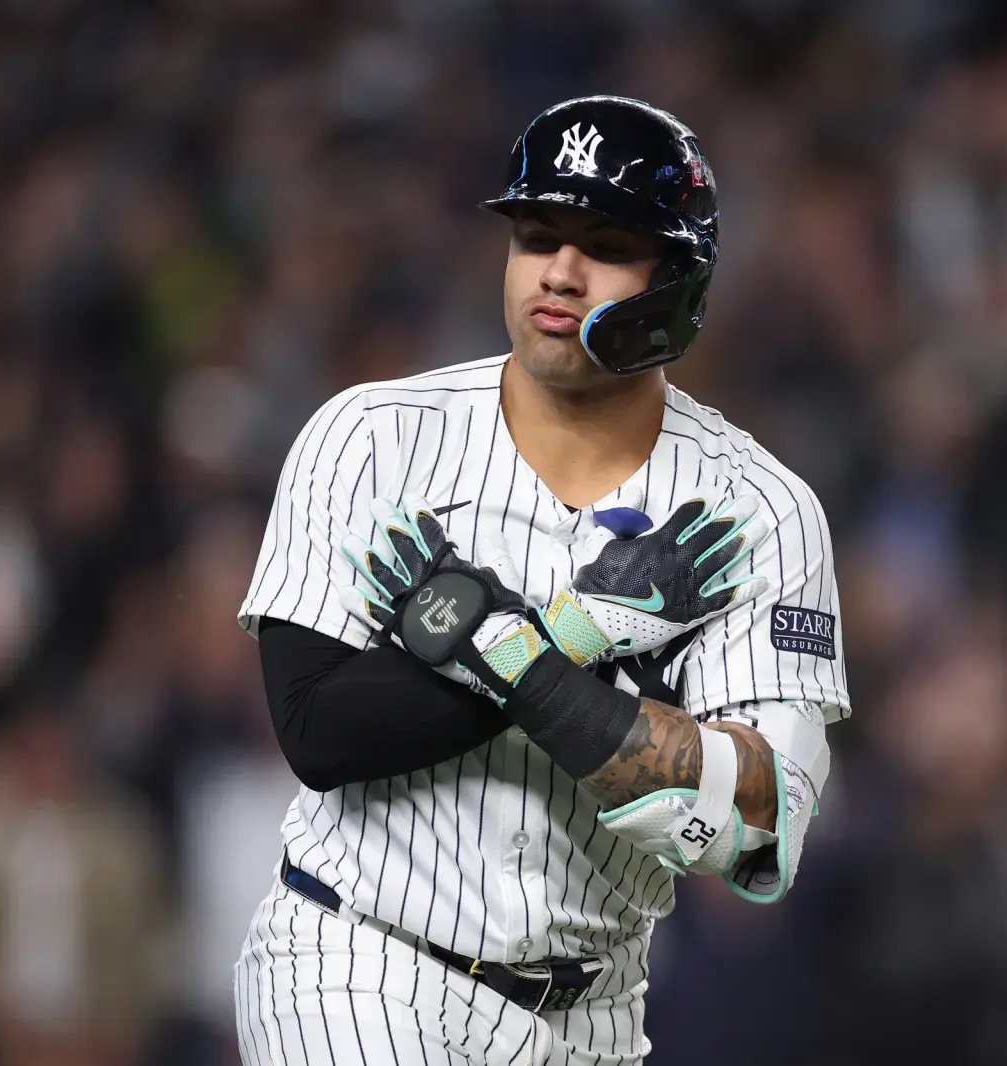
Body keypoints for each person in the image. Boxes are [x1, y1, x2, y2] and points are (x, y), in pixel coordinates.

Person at [234, 96, 849, 1065]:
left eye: (603, 243)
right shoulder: (372, 436)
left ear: (675, 284)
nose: (558, 270)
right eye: (534, 235)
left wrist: (505, 650)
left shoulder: (756, 512)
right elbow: (319, 729)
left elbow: (760, 821)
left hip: (594, 1012)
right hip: (357, 955)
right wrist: (574, 634)